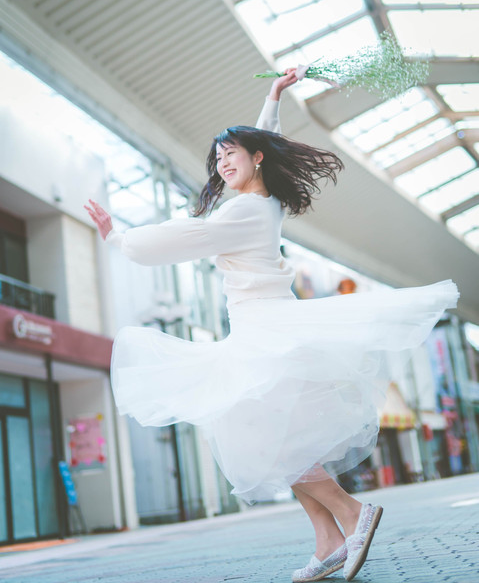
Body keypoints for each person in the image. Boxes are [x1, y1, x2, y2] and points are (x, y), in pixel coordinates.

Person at [85, 69, 459, 582]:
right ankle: (329, 539)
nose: (222, 163)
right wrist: (273, 96)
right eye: (217, 158)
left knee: (271, 443)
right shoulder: (266, 203)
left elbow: (182, 237)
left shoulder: (242, 212)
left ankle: (352, 515)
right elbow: (270, 143)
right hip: (265, 331)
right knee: (279, 442)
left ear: (254, 157)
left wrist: (117, 240)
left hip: (265, 332)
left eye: (230, 153)